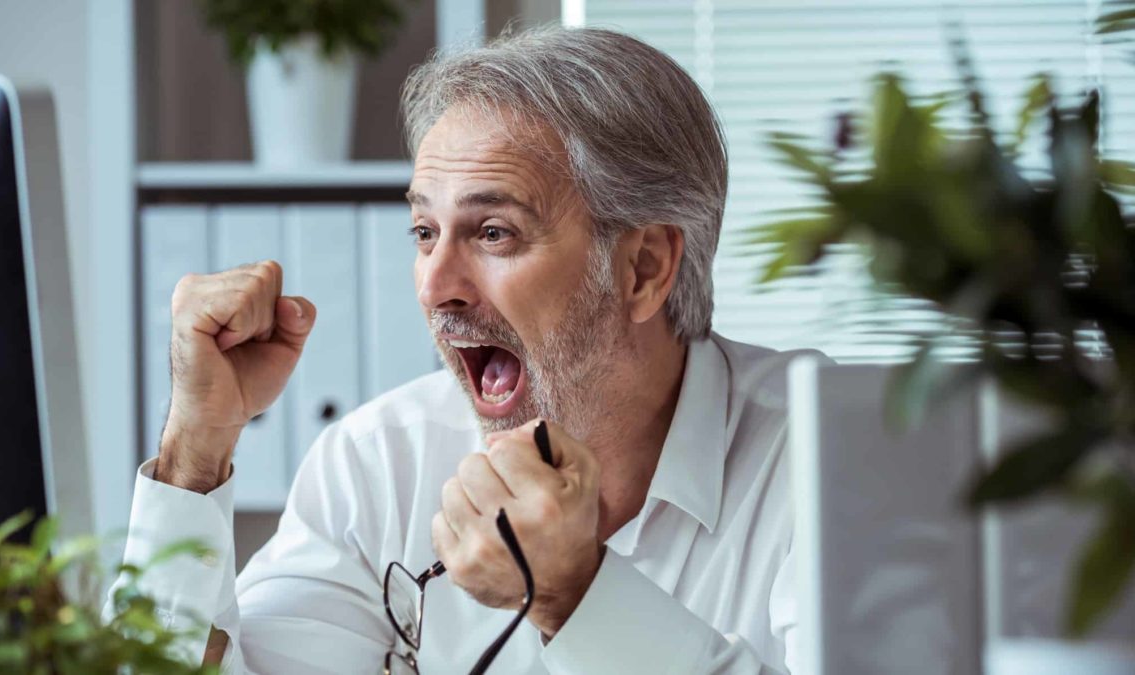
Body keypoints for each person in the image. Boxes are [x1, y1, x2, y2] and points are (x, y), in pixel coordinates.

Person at [117, 25, 815, 674]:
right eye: (425, 232)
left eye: (493, 233)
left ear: (644, 269)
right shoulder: (377, 464)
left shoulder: (826, 463)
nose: (434, 286)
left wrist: (576, 595)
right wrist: (193, 456)